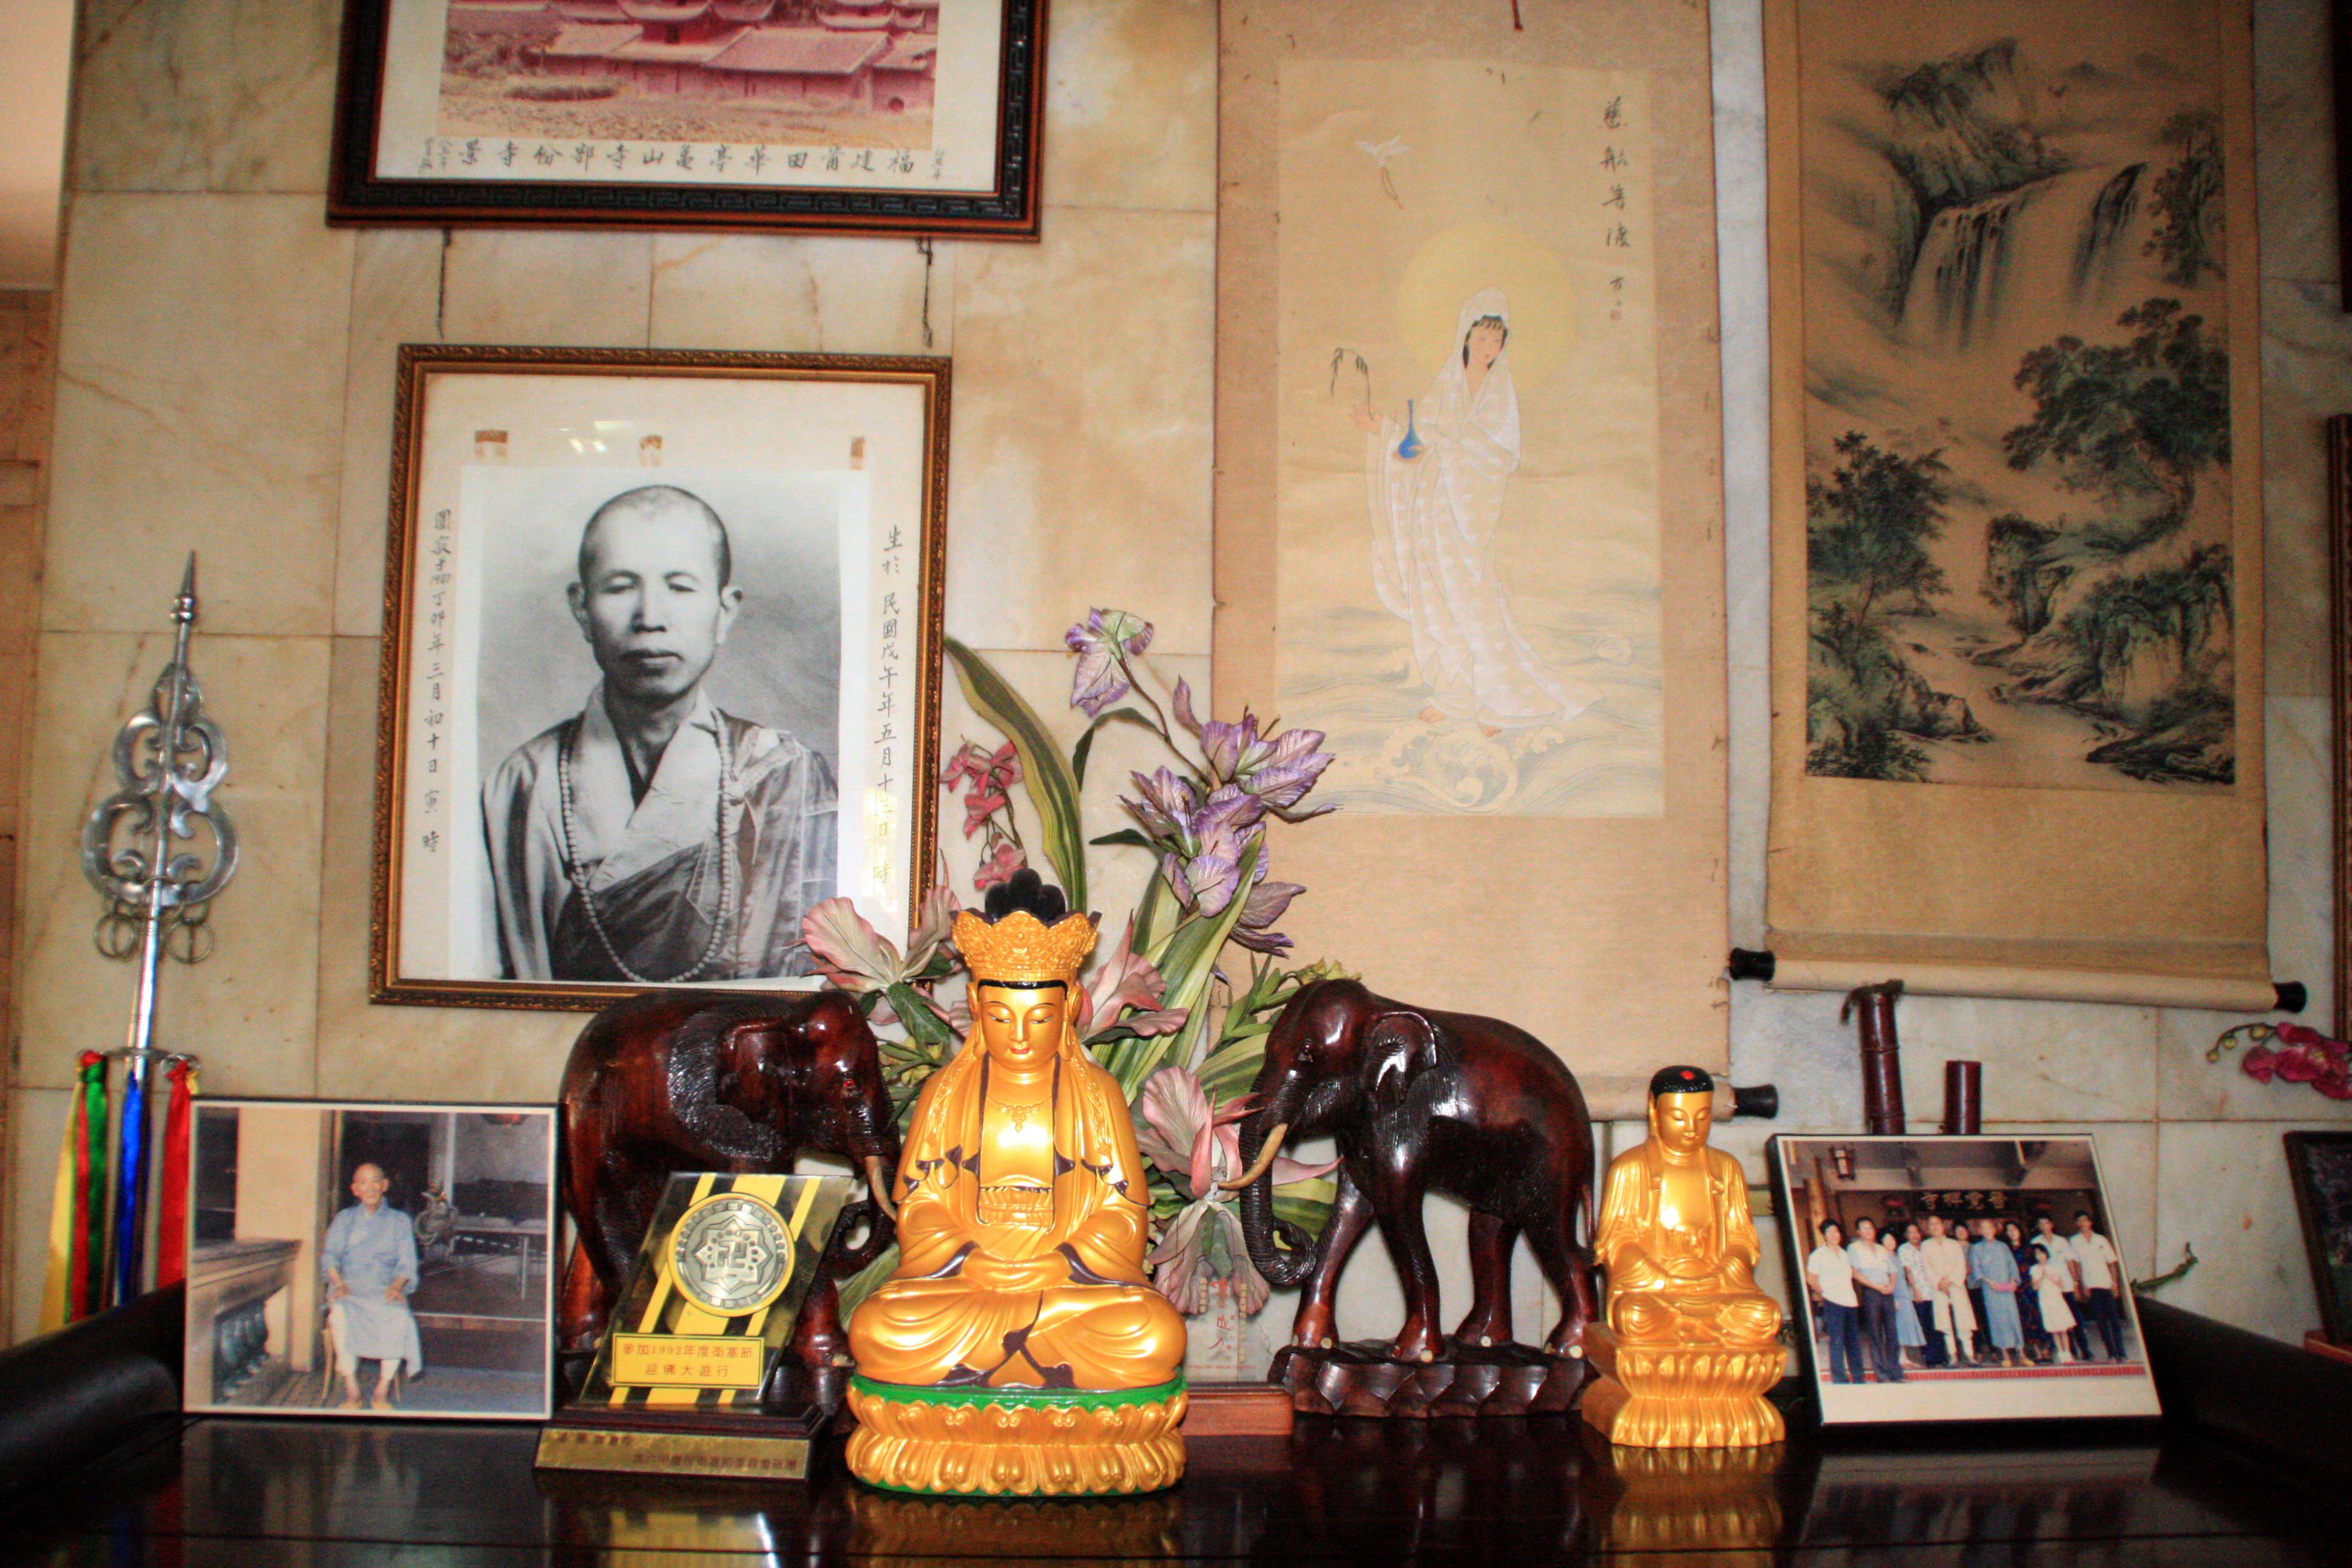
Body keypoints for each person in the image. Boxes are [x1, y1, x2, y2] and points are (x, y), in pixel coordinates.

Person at [482, 484, 837, 984]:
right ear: (582, 608)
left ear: (725, 611)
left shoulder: (782, 775)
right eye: (620, 587)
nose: (650, 618)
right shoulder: (522, 784)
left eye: (680, 587)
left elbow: (815, 982)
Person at [846, 871, 1184, 1390]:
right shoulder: (945, 1092)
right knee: (881, 1329)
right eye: (1002, 1018)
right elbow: (919, 1209)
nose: (1021, 1035)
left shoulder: (1097, 1094)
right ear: (976, 1005)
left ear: (1071, 1007)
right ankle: (1023, 1361)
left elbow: (1122, 1213)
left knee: (1152, 1335)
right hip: (967, 1282)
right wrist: (972, 1261)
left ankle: (999, 1362)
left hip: (1068, 1286)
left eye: (1040, 1018)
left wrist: (1060, 1264)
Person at [1353, 288, 1594, 734]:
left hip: (1469, 514)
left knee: (1474, 603)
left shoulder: (1500, 393)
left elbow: (1500, 454)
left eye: (1496, 340)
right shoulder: (1447, 384)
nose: (1488, 347)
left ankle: (1499, 703)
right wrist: (1384, 429)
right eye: (1481, 338)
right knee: (1435, 600)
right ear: (1465, 338)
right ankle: (1455, 696)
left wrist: (1453, 448)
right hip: (1433, 509)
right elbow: (1417, 441)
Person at [1589, 1065, 1783, 1349]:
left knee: (1765, 1315)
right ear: (1654, 1111)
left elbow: (1742, 1238)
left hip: (1717, 1291)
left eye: (1702, 1117)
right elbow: (1617, 1242)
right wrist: (1665, 1279)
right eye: (1679, 1117)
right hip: (1656, 1292)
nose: (1692, 1128)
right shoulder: (1630, 1168)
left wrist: (1721, 1273)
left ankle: (1696, 1342)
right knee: (1634, 1316)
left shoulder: (1726, 1168)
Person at [322, 1163, 422, 1411]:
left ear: (384, 1186)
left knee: (399, 1317)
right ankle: (352, 1390)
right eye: (363, 1182)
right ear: (355, 1189)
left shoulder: (399, 1221)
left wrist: (397, 1286)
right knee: (339, 1314)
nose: (370, 1188)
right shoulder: (345, 1219)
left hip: (385, 1287)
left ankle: (382, 1390)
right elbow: (329, 1257)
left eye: (375, 1181)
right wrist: (339, 1283)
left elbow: (407, 1263)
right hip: (349, 1287)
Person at [1846, 1217, 1905, 1382]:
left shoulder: (1882, 1249)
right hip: (1871, 1293)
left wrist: (1891, 1286)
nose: (1868, 1231)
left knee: (1892, 1333)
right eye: (1864, 1228)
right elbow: (1855, 1273)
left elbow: (1893, 1272)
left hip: (1887, 1292)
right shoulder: (1854, 1248)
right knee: (1875, 1333)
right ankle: (1882, 1373)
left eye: (1870, 1228)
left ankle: (1896, 1372)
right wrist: (1876, 1286)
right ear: (1858, 1232)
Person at [1805, 1220, 1863, 1385]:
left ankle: (1858, 1377)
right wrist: (1824, 1292)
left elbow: (1853, 1275)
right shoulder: (1818, 1255)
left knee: (1853, 1341)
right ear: (1824, 1235)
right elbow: (1811, 1278)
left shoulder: (1845, 1254)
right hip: (1833, 1302)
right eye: (1829, 1232)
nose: (1834, 1235)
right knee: (1837, 1341)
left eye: (1836, 1231)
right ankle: (1840, 1378)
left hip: (1850, 1302)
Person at [1918, 1214, 1978, 1367]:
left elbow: (1960, 1264)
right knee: (1945, 1323)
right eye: (1931, 1224)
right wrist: (1939, 1282)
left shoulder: (1954, 1244)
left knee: (1963, 1321)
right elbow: (1926, 1267)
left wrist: (1951, 1280)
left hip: (1956, 1285)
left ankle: (1970, 1355)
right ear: (1928, 1228)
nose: (1935, 1227)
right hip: (1939, 1288)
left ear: (1943, 1226)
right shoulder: (1926, 1246)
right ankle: (1953, 1356)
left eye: (1937, 1223)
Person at [2068, 1211, 2127, 1362]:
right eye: (2079, 1221)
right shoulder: (2075, 1241)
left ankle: (2122, 1353)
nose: (2083, 1223)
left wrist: (2115, 1283)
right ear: (2076, 1224)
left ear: (2090, 1222)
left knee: (2114, 1320)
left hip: (2106, 1284)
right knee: (2101, 1322)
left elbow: (2112, 1263)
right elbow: (2077, 1265)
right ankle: (2111, 1353)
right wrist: (2082, 1285)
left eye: (2085, 1220)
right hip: (2091, 1285)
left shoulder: (2101, 1239)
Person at [1967, 1218, 2025, 1367]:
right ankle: (2005, 1354)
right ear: (1979, 1231)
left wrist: (2013, 1280)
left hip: (2007, 1288)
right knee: (1996, 1320)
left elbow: (2012, 1265)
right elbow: (1977, 1270)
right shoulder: (1976, 1248)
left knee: (2013, 1318)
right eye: (1984, 1228)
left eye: (1990, 1228)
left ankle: (2021, 1353)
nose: (1987, 1231)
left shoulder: (2003, 1246)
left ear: (1995, 1230)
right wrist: (1988, 1281)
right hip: (1991, 1289)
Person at [1897, 1221, 1945, 1367]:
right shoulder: (1904, 1249)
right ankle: (1929, 1358)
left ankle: (1941, 1357)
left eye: (1916, 1232)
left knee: (1938, 1324)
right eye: (1911, 1232)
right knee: (1925, 1326)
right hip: (1919, 1294)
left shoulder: (1926, 1246)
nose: (1914, 1235)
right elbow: (1908, 1271)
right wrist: (1916, 1290)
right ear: (1906, 1235)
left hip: (1935, 1291)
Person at [2005, 1220, 2049, 1362]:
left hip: (2032, 1287)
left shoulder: (2030, 1248)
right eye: (2009, 1231)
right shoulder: (2007, 1251)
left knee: (2039, 1317)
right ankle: (2036, 1352)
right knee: (2026, 1320)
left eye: (2014, 1229)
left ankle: (2046, 1350)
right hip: (2017, 1291)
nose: (2012, 1233)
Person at [2031, 1243, 2080, 1364]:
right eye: (2037, 1254)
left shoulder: (2054, 1267)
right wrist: (2042, 1276)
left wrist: (2051, 1277)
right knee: (2054, 1329)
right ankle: (2061, 1353)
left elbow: (2061, 1284)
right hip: (2045, 1300)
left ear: (2046, 1254)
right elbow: (2035, 1287)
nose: (2040, 1256)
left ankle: (2067, 1352)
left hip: (2056, 1299)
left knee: (2063, 1328)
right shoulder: (2034, 1269)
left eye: (2042, 1253)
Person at [1888, 1226, 1928, 1367]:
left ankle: (1904, 1357)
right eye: (1887, 1240)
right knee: (1898, 1326)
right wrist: (1893, 1297)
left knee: (1905, 1327)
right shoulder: (1885, 1257)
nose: (1890, 1242)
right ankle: (1900, 1358)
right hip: (1896, 1295)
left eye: (1892, 1240)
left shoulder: (1897, 1256)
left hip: (1904, 1294)